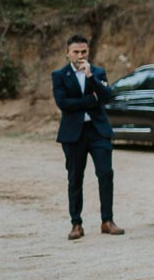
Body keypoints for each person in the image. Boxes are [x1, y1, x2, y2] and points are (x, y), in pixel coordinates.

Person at [52, 34, 124, 240]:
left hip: (98, 131)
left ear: (88, 52)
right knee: (75, 178)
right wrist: (90, 100)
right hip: (73, 134)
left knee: (105, 174)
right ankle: (76, 224)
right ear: (67, 53)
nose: (80, 55)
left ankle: (107, 221)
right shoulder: (59, 75)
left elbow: (106, 97)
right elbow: (63, 103)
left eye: (83, 51)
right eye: (76, 51)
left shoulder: (98, 72)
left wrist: (91, 77)